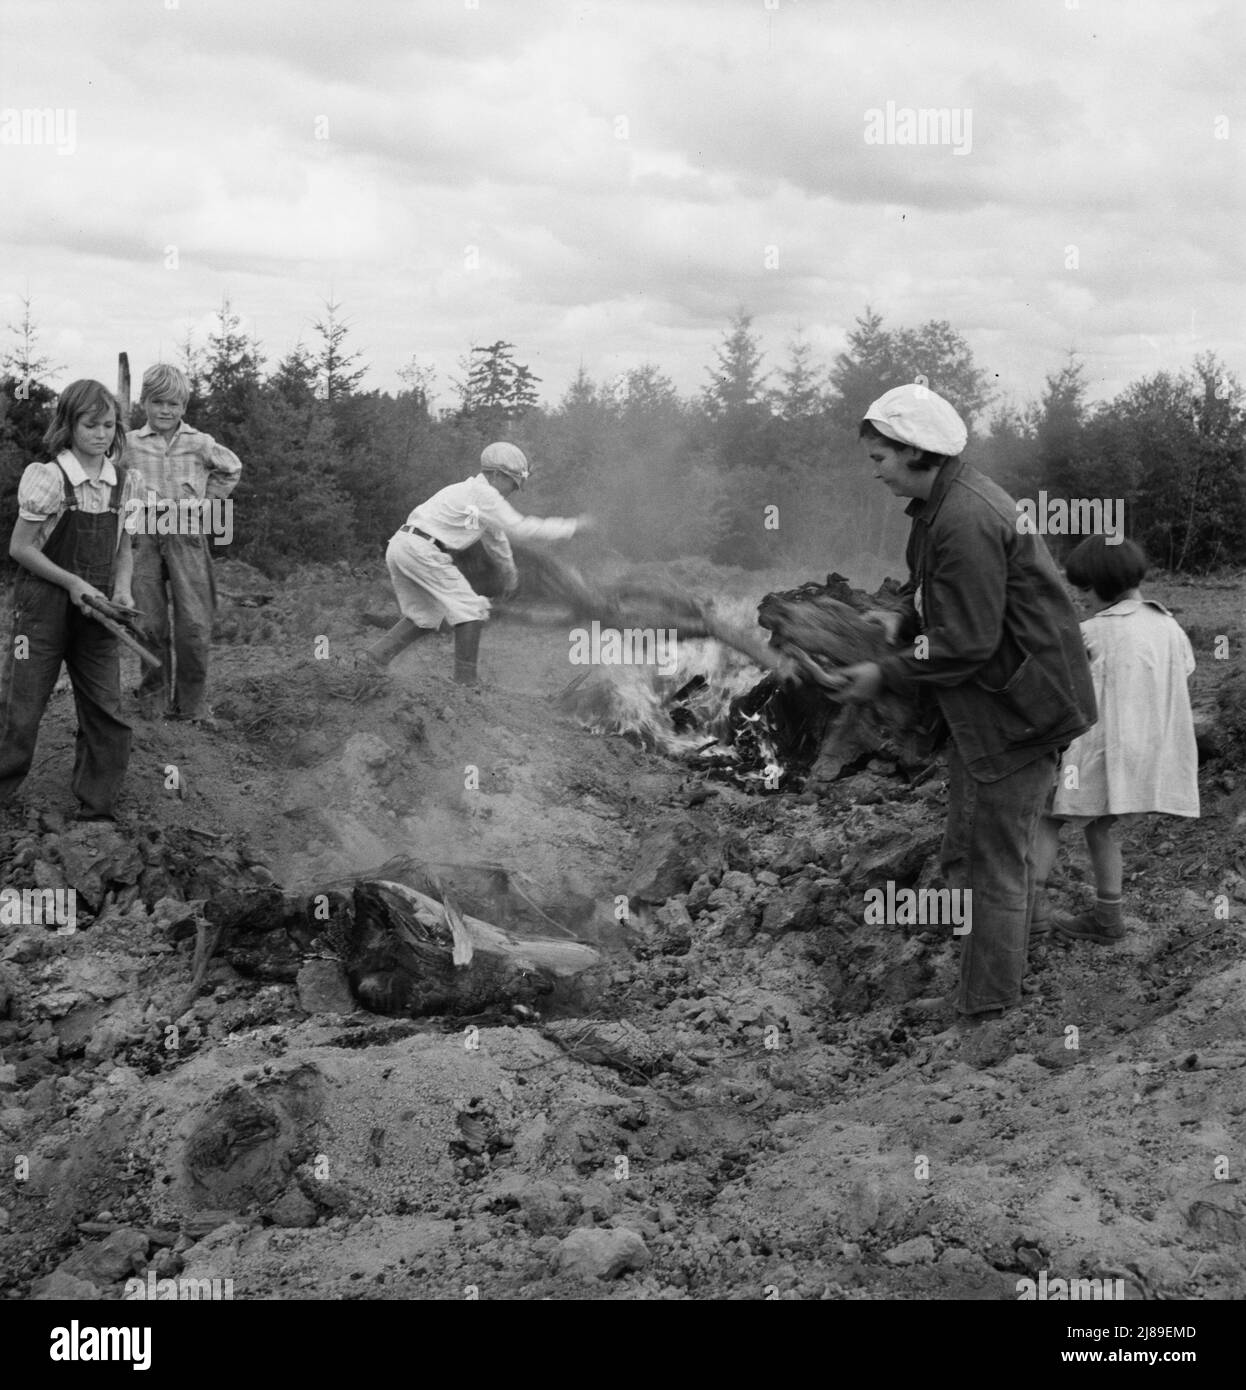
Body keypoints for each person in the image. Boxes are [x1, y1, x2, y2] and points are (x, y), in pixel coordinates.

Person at [833, 383, 1096, 1023]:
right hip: (994, 702)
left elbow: (966, 642)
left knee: (991, 868)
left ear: (916, 452)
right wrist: (896, 622)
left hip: (1014, 711)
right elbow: (935, 602)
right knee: (975, 854)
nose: (874, 473)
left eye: (879, 459)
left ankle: (988, 1012)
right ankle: (988, 980)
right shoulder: (937, 509)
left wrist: (883, 674)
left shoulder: (965, 519)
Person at [1030, 536, 1199, 944]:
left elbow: (1061, 687)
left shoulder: (1090, 633)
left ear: (1101, 585)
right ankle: (1108, 919)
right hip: (1144, 754)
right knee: (1102, 827)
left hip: (1094, 752)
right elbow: (1187, 671)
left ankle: (1030, 917)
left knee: (1047, 817)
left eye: (1084, 589)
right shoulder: (1170, 627)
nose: (1082, 598)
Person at [0, 380, 146, 821]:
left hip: (99, 606)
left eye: (108, 425)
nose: (101, 434)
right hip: (43, 604)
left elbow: (125, 548)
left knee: (107, 709)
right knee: (20, 707)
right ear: (68, 424)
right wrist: (72, 584)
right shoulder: (48, 478)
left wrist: (121, 590)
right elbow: (20, 549)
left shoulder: (127, 483)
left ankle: (96, 808)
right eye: (90, 425)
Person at [365, 442, 592, 686]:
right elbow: (521, 528)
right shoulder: (485, 495)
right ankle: (465, 685)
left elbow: (497, 540)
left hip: (402, 545)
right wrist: (573, 527)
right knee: (472, 609)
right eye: (512, 483)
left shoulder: (470, 494)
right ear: (495, 474)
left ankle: (371, 661)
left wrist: (511, 577)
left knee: (424, 616)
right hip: (423, 550)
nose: (512, 491)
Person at [123, 363, 242, 727]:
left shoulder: (199, 442)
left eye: (174, 404)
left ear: (184, 407)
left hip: (186, 535)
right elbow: (108, 475)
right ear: (145, 402)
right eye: (158, 402)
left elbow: (231, 468)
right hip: (141, 537)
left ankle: (191, 705)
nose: (165, 411)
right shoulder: (128, 443)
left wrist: (209, 501)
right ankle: (154, 699)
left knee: (193, 624)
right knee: (149, 624)